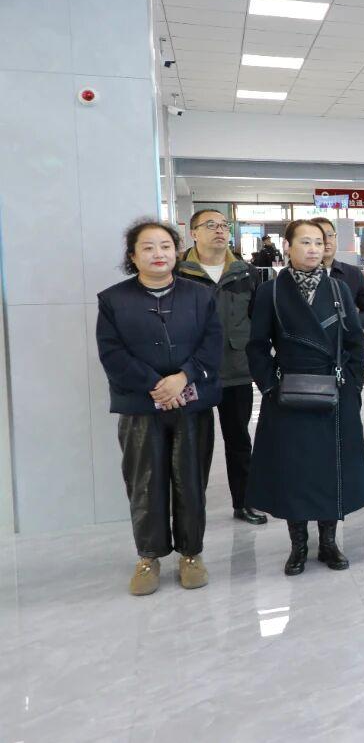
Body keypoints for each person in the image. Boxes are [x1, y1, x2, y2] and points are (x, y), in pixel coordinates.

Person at [96, 219, 223, 595]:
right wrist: (156, 385)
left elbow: (212, 344)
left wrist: (184, 377)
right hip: (141, 405)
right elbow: (112, 353)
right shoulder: (114, 300)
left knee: (191, 481)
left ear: (177, 252)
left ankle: (191, 554)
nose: (158, 254)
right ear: (133, 256)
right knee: (145, 483)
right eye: (148, 247)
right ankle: (148, 557)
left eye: (165, 246)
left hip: (191, 402)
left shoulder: (201, 295)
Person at [244, 219, 364, 576]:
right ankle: (298, 545)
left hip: (334, 391)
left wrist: (354, 386)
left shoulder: (338, 289)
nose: (314, 248)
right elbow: (256, 346)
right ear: (287, 246)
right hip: (289, 393)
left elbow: (355, 343)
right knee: (294, 470)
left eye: (319, 241)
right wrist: (270, 387)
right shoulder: (270, 292)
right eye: (305, 242)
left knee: (332, 467)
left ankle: (328, 542)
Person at [177, 209, 265, 525]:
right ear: (194, 233)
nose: (219, 230)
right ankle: (191, 508)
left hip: (237, 370)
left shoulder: (245, 273)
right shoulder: (179, 273)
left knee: (239, 440)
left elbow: (259, 320)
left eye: (224, 225)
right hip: (191, 374)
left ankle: (244, 502)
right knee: (193, 444)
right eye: (211, 225)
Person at [311, 216, 364, 330]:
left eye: (330, 235)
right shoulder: (298, 275)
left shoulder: (353, 274)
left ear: (335, 238)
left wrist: (352, 323)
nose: (327, 241)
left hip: (345, 340)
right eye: (320, 236)